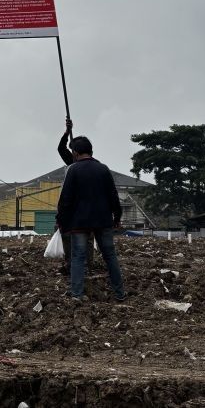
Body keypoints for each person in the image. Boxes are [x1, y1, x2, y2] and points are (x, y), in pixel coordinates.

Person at [56, 136, 125, 301]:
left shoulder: (73, 170)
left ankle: (77, 294)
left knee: (78, 257)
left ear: (75, 152)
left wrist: (61, 221)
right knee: (109, 255)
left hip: (79, 222)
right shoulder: (103, 169)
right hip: (103, 220)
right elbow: (113, 196)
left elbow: (65, 199)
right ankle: (119, 293)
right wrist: (117, 216)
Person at [55, 118, 93, 273]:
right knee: (70, 235)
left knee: (84, 236)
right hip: (75, 206)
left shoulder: (88, 166)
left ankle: (85, 265)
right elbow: (60, 148)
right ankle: (72, 264)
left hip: (79, 206)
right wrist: (66, 132)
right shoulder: (73, 162)